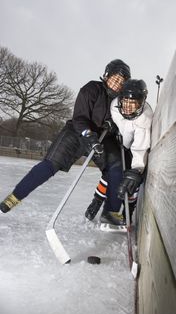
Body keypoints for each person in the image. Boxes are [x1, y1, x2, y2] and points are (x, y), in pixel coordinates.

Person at [0, 59, 131, 225]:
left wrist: (114, 127)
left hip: (102, 138)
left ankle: (109, 211)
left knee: (116, 167)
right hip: (77, 132)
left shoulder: (121, 102)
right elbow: (80, 117)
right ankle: (15, 196)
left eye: (122, 81)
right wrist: (88, 134)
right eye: (115, 78)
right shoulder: (92, 89)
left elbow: (126, 123)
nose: (117, 84)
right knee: (50, 165)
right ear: (106, 76)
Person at [85, 79, 153, 224]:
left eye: (133, 103)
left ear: (141, 103)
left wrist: (137, 169)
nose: (127, 107)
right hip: (114, 141)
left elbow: (140, 148)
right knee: (111, 173)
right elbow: (109, 117)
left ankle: (128, 210)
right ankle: (97, 201)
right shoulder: (115, 106)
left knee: (131, 179)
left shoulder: (144, 120)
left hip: (130, 148)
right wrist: (110, 124)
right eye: (125, 101)